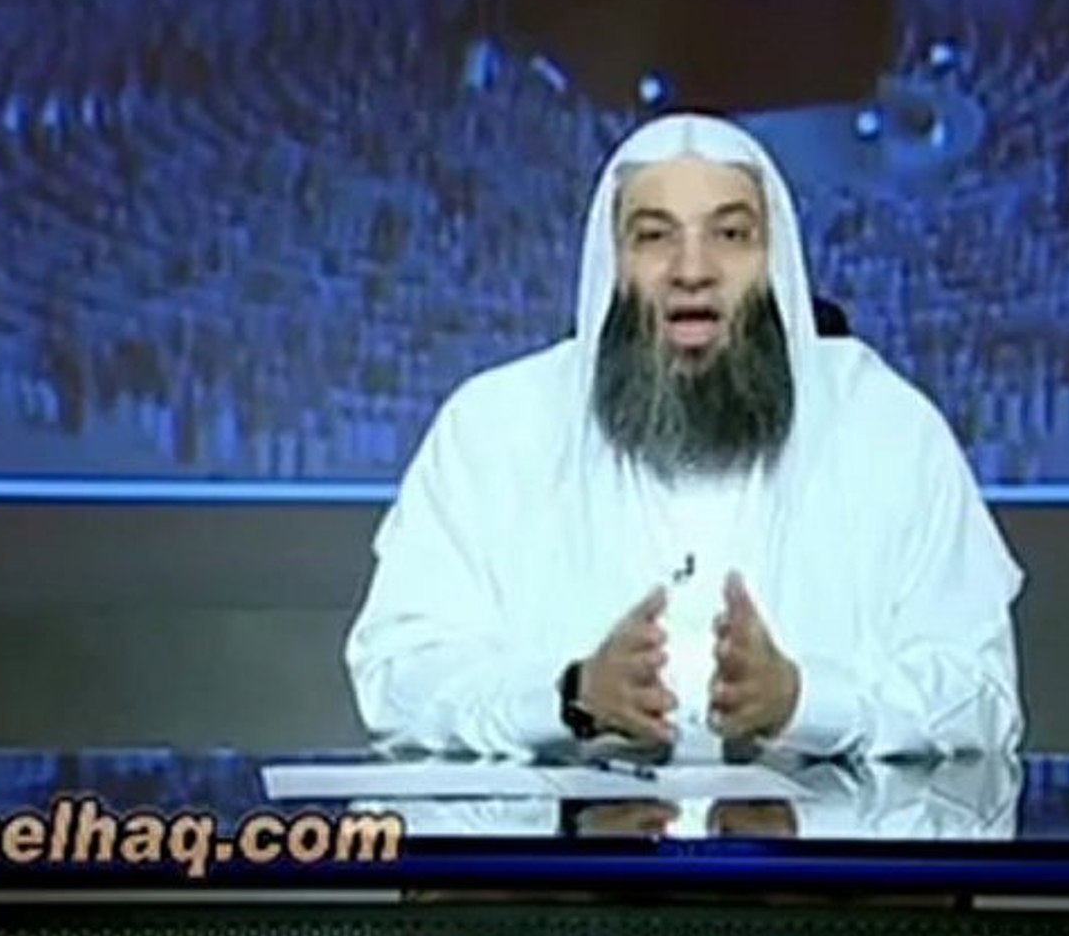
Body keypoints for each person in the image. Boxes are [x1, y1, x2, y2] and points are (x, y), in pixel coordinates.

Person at [344, 113, 1025, 762]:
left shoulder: (887, 429)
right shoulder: (494, 429)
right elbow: (398, 676)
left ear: (775, 263)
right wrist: (571, 696)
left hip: (822, 846)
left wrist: (804, 702)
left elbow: (981, 697)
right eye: (653, 236)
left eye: (730, 234)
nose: (691, 269)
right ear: (611, 265)